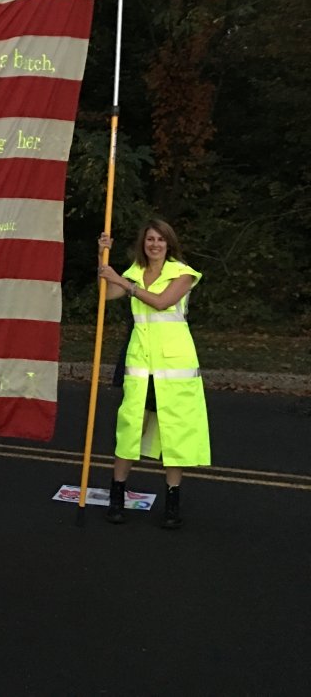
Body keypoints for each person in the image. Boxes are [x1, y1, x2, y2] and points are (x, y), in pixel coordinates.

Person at [97, 219, 211, 529]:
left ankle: (172, 502)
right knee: (130, 428)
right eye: (150, 239)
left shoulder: (182, 273)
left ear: (169, 243)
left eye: (160, 239)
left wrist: (126, 284)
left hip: (174, 368)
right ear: (143, 243)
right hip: (141, 363)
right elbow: (106, 296)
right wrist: (103, 260)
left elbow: (162, 303)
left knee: (174, 434)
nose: (155, 244)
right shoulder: (134, 272)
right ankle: (117, 496)